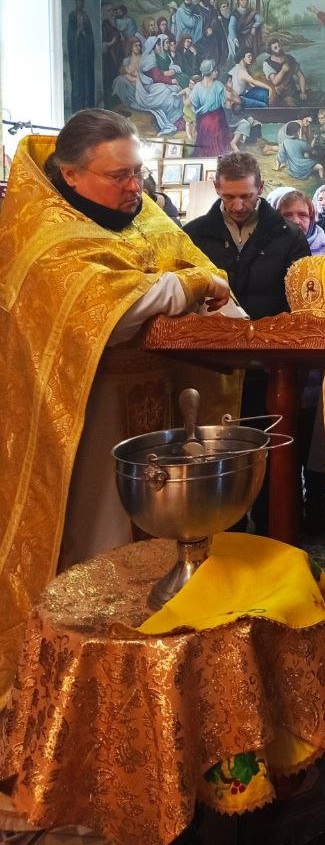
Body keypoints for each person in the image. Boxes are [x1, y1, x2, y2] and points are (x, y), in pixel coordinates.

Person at [0, 110, 241, 704]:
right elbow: (114, 313)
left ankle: (161, 684)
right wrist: (186, 287)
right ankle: (89, 691)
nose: (136, 187)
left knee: (162, 541)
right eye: (119, 176)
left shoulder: (142, 217)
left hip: (159, 400)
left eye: (139, 173)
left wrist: (197, 287)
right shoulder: (44, 232)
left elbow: (208, 277)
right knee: (98, 544)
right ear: (71, 175)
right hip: (83, 415)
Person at [184, 152, 310, 319]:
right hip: (211, 333)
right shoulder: (192, 235)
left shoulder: (291, 236)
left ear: (260, 187)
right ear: (216, 188)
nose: (238, 206)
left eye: (246, 196)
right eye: (228, 197)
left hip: (273, 333)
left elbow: (302, 299)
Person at [190, 60, 232, 157]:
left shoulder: (197, 87)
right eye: (215, 70)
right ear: (210, 72)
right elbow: (226, 104)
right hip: (218, 118)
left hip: (203, 120)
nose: (216, 72)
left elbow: (195, 104)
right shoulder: (218, 85)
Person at [67, 0, 96, 111]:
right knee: (78, 82)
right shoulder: (72, 16)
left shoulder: (86, 17)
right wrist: (77, 33)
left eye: (81, 0)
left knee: (87, 82)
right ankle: (77, 108)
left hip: (86, 55)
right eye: (78, 0)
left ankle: (87, 107)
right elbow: (70, 35)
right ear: (75, 1)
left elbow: (91, 37)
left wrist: (84, 34)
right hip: (76, 56)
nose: (80, 2)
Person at [275, 188, 325, 256]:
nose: (295, 221)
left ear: (311, 219)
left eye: (302, 215)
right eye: (288, 215)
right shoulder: (267, 249)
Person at [262, 39, 309, 106]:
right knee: (290, 103)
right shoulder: (268, 63)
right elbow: (274, 82)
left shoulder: (290, 58)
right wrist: (283, 71)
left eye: (279, 46)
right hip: (279, 95)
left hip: (293, 92)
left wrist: (303, 92)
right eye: (275, 48)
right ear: (271, 51)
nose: (279, 48)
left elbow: (301, 76)